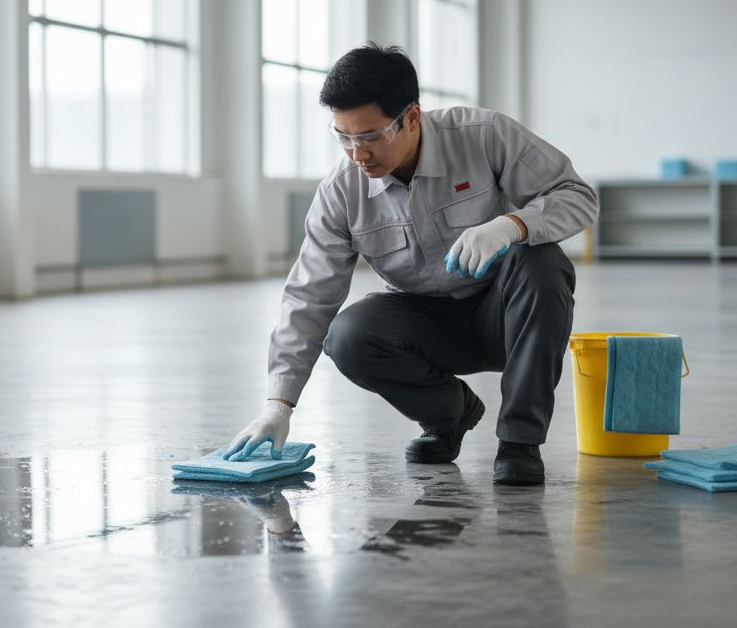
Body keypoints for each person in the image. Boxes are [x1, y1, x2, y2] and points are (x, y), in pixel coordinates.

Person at [222, 42, 599, 485]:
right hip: (428, 327)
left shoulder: (484, 135)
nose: (357, 154)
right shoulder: (341, 193)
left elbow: (578, 197)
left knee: (542, 262)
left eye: (369, 136)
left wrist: (512, 225)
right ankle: (449, 415)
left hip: (508, 315)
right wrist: (278, 405)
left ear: (412, 117)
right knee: (348, 335)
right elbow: (309, 296)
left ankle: (520, 441)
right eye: (343, 137)